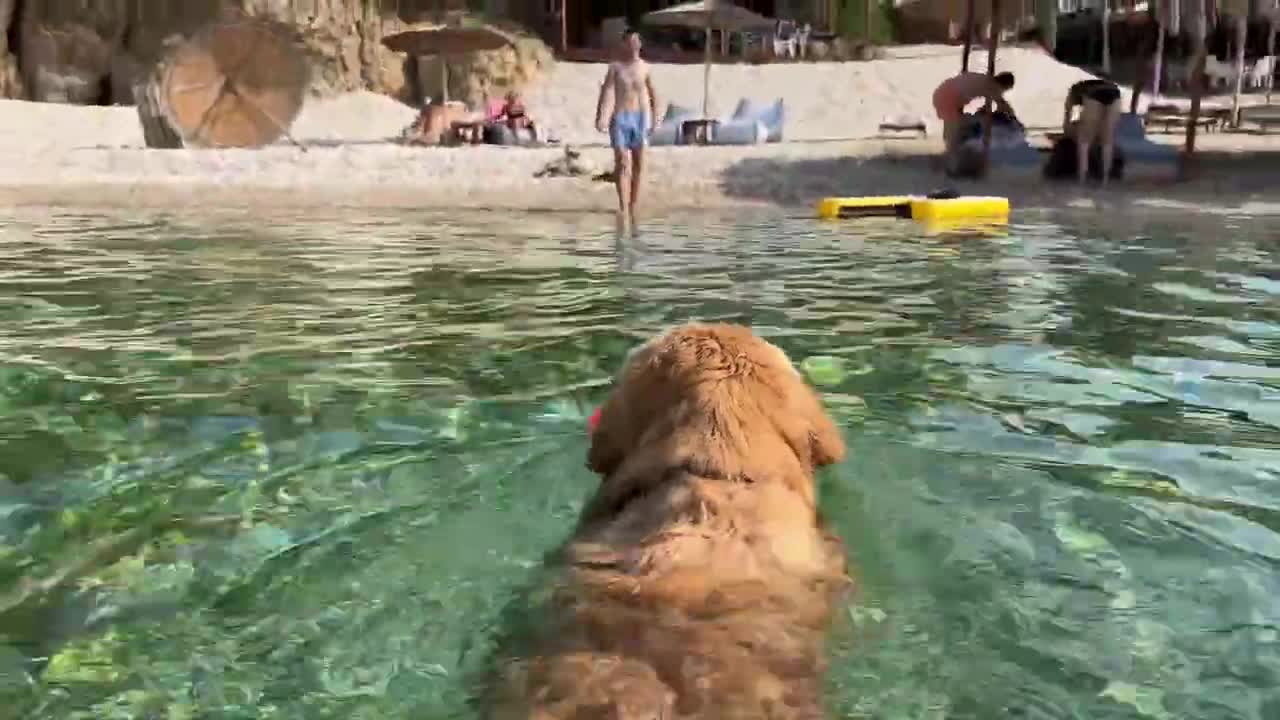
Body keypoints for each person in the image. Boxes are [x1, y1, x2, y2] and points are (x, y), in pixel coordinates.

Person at [595, 28, 658, 229]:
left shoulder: (645, 68)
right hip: (620, 117)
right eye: (628, 42)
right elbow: (606, 92)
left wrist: (655, 120)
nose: (632, 46)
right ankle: (623, 207)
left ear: (640, 45)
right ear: (623, 44)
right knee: (622, 163)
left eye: (635, 42)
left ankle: (634, 206)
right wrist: (601, 117)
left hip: (640, 118)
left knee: (639, 164)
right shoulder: (615, 67)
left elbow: (654, 95)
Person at [932, 71, 1018, 174]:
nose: (1004, 91)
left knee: (955, 130)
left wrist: (984, 110)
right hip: (948, 98)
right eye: (1006, 89)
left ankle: (949, 162)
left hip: (943, 93)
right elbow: (1002, 104)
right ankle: (952, 166)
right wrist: (1013, 117)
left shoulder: (986, 80)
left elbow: (990, 101)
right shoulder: (993, 85)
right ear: (1005, 84)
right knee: (954, 135)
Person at [1063, 77, 1122, 186]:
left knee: (1084, 141)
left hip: (1093, 94)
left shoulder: (1075, 91)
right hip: (1114, 92)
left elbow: (1068, 111)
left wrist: (1070, 126)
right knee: (1107, 141)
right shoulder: (1083, 86)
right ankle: (1105, 178)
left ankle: (1082, 177)